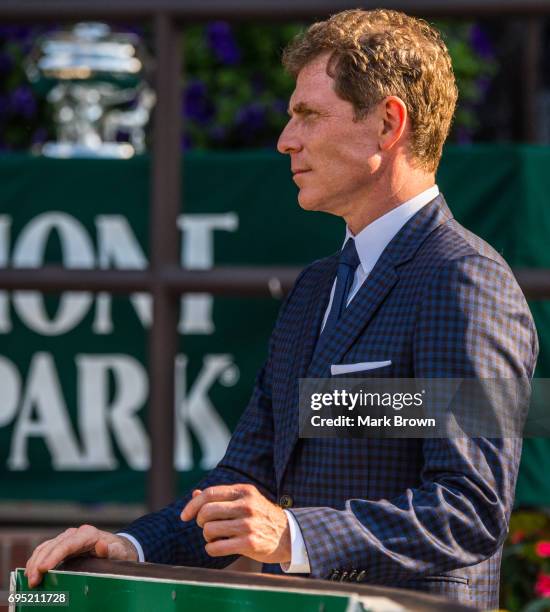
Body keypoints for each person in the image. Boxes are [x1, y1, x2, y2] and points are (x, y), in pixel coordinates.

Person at [25, 9, 538, 609]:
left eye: (309, 114)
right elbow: (246, 475)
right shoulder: (317, 287)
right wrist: (132, 546)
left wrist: (292, 535)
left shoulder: (467, 281)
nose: (285, 139)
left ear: (388, 124)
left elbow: (469, 507)